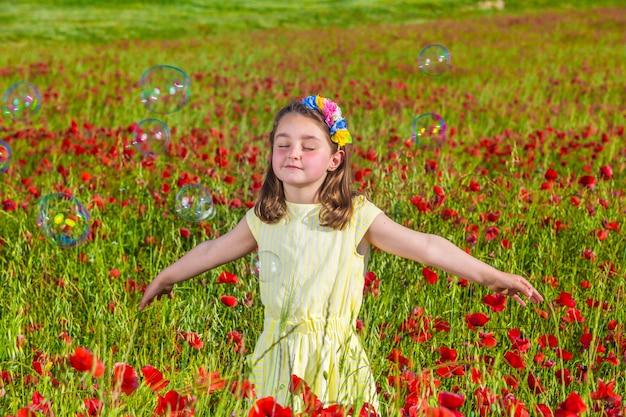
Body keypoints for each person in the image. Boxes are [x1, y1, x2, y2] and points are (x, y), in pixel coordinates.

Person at [138, 95, 544, 413]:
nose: (293, 152)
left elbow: (425, 244)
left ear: (335, 159)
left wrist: (489, 275)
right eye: (283, 144)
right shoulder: (263, 217)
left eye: (307, 145)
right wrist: (166, 277)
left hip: (336, 356)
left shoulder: (354, 216)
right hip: (276, 355)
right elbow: (213, 250)